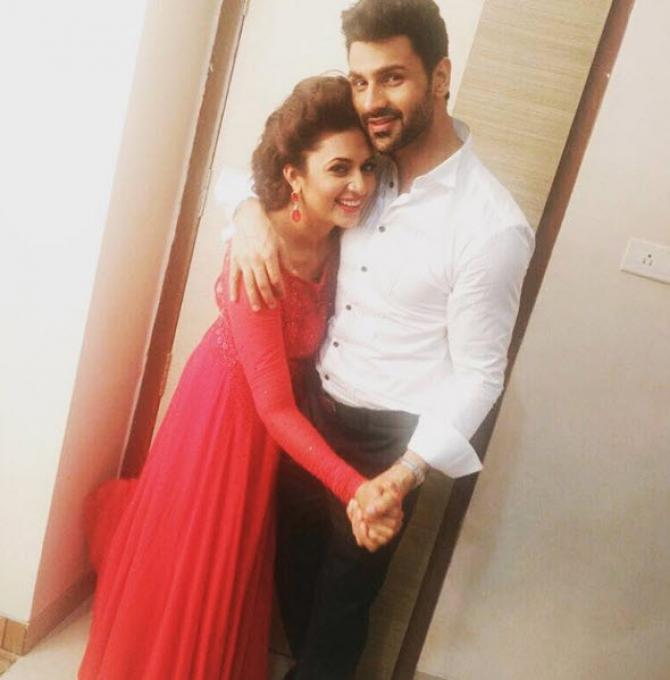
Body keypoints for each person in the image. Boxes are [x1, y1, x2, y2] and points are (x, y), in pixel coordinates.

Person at [228, 1, 536, 678]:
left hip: (385, 446)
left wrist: (403, 475)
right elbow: (278, 169)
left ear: (440, 76)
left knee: (339, 620)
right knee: (292, 583)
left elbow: (481, 374)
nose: (371, 101)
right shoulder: (364, 166)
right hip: (308, 414)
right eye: (360, 80)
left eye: (392, 78)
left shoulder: (490, 226)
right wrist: (247, 214)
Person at [78, 75, 403, 680]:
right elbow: (274, 408)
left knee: (238, 568)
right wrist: (353, 487)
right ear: (295, 175)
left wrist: (244, 208)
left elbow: (244, 187)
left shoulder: (341, 238)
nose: (359, 185)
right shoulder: (257, 256)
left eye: (367, 167)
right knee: (196, 563)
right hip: (223, 421)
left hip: (278, 427)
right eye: (339, 168)